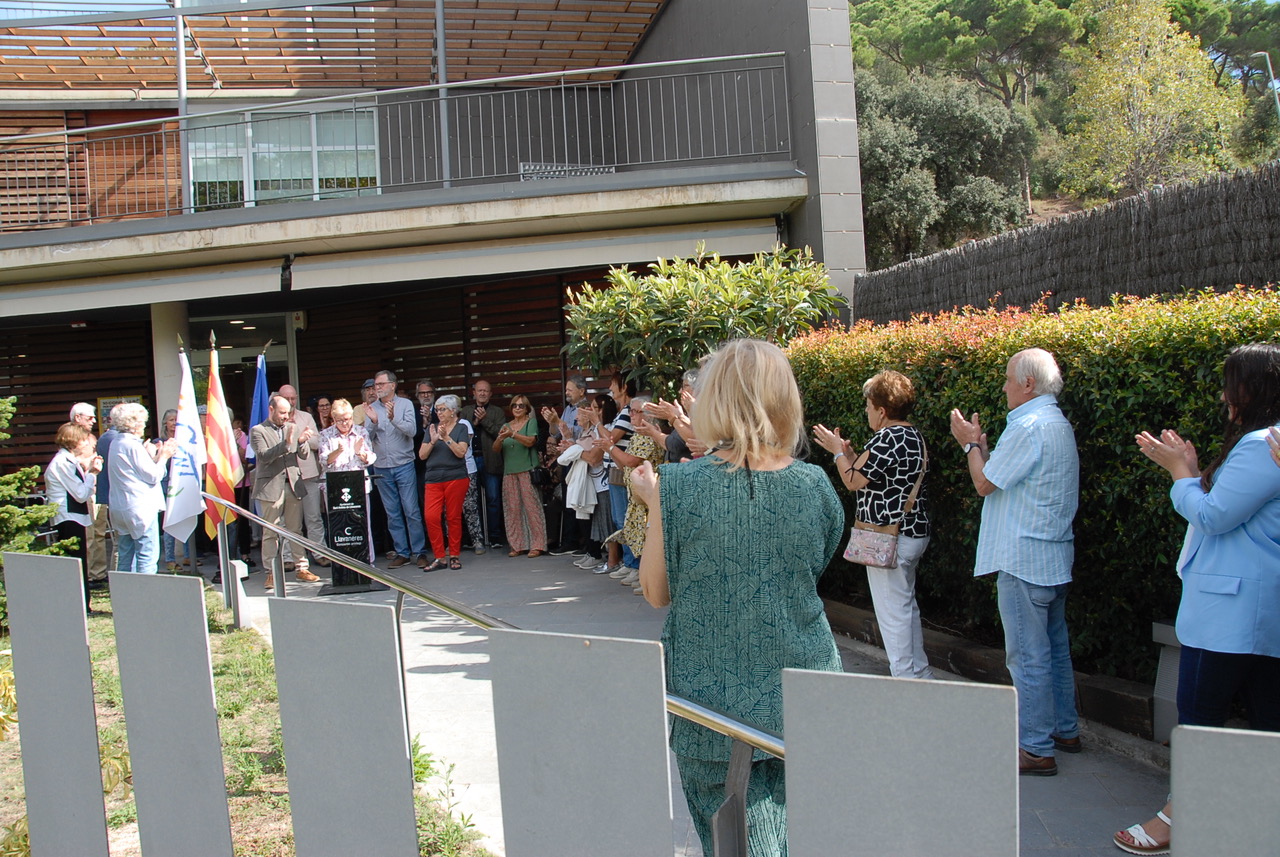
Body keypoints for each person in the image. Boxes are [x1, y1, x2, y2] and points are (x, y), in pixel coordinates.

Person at [630, 338, 844, 857]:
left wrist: (655, 504)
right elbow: (811, 569)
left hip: (708, 707)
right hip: (805, 697)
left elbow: (656, 592)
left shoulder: (677, 487)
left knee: (727, 844)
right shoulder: (815, 484)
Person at [1117, 343, 1280, 855]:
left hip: (1230, 611)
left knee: (1200, 720)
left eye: (1231, 383)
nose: (1223, 395)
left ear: (1252, 389)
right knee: (1264, 721)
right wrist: (1190, 464)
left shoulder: (1261, 444)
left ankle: (1177, 817)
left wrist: (1178, 472)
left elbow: (1212, 515)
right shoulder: (1263, 444)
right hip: (1246, 611)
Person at [949, 347, 1081, 777]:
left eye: (1009, 379)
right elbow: (1007, 476)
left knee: (1028, 656)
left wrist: (970, 445)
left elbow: (985, 482)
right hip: (1052, 554)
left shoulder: (1028, 426)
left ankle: (1036, 747)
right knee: (1055, 649)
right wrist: (982, 447)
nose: (1004, 386)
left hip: (1024, 559)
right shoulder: (1054, 423)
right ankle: (1063, 729)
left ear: (1027, 383)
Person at [814, 369, 934, 679]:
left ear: (881, 410)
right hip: (911, 532)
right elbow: (873, 474)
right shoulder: (912, 435)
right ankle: (920, 676)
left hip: (889, 537)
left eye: (868, 405)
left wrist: (838, 451)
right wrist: (850, 453)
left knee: (893, 615)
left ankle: (905, 681)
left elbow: (853, 480)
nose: (866, 411)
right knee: (906, 609)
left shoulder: (887, 437)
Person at [251, 394, 317, 590]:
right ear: (271, 409)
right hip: (270, 486)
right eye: (282, 413)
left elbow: (303, 455)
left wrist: (302, 440)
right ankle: (271, 571)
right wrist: (286, 443)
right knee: (270, 530)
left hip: (293, 483)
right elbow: (264, 456)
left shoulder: (291, 427)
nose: (285, 417)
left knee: (295, 529)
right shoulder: (258, 430)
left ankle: (302, 567)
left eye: (288, 413)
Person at [365, 369, 428, 569]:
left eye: (381, 384)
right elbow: (366, 438)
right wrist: (374, 422)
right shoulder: (371, 408)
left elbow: (412, 431)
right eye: (376, 385)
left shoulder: (406, 404)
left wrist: (393, 419)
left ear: (393, 385)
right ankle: (402, 552)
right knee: (392, 513)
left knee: (411, 510)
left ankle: (419, 552)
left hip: (404, 465)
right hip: (382, 467)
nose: (378, 388)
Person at [108, 402, 177, 574]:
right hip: (140, 508)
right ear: (136, 424)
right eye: (142, 422)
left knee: (126, 555)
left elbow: (136, 471)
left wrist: (153, 456)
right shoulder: (132, 445)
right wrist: (164, 457)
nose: (144, 426)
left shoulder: (116, 443)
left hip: (120, 506)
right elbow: (153, 476)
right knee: (147, 555)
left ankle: (124, 593)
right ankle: (147, 595)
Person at [45, 422, 101, 610]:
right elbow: (80, 493)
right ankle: (80, 605)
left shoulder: (69, 461)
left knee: (80, 561)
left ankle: (83, 604)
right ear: (74, 441)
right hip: (68, 517)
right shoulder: (63, 463)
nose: (88, 444)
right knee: (76, 562)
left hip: (74, 515)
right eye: (85, 440)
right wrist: (92, 474)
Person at [318, 398, 377, 563]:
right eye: (340, 420)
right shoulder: (326, 435)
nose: (345, 423)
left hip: (358, 486)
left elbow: (371, 457)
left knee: (363, 525)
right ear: (333, 419)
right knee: (338, 527)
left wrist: (361, 453)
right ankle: (341, 564)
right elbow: (323, 461)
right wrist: (336, 452)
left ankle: (368, 562)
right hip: (334, 489)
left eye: (348, 419)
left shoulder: (361, 432)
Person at [418, 394, 472, 571]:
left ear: (453, 411)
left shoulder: (461, 428)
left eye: (442, 409)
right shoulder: (432, 428)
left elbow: (461, 452)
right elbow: (422, 455)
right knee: (431, 516)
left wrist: (447, 438)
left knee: (453, 516)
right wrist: (433, 440)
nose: (439, 412)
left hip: (455, 477)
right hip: (433, 479)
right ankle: (440, 557)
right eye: (437, 409)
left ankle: (454, 555)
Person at [279, 385, 328, 570]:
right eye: (287, 398)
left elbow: (317, 442)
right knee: (289, 520)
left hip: (308, 474)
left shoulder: (306, 417)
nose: (291, 402)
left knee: (314, 516)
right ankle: (289, 557)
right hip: (286, 476)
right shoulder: (275, 419)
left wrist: (303, 437)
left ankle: (319, 552)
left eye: (293, 399)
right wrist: (300, 436)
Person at [495, 393, 546, 557]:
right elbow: (496, 449)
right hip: (509, 472)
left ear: (527, 409)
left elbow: (531, 441)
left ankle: (537, 544)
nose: (517, 408)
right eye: (514, 405)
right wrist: (500, 438)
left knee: (532, 508)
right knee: (513, 509)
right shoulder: (506, 425)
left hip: (526, 470)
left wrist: (512, 435)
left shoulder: (530, 422)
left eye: (521, 405)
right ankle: (517, 544)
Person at [461, 378, 506, 545]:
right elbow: (461, 431)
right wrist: (474, 422)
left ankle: (494, 537)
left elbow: (500, 433)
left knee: (493, 498)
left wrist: (485, 420)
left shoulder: (497, 411)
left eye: (485, 391)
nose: (482, 393)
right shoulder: (466, 411)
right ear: (474, 393)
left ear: (490, 394)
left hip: (491, 460)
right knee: (472, 500)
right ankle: (476, 538)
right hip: (470, 461)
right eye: (479, 390)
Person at [69, 402, 109, 585]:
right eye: (90, 417)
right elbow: (73, 465)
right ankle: (89, 574)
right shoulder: (69, 436)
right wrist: (89, 464)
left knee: (99, 532)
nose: (94, 420)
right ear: (78, 417)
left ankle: (99, 572)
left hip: (95, 486)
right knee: (89, 534)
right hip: (82, 488)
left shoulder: (91, 436)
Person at [156, 408, 198, 573]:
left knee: (186, 516)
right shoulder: (159, 442)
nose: (174, 423)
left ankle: (189, 555)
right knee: (169, 520)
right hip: (167, 485)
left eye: (177, 420)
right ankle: (170, 559)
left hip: (184, 483)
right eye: (171, 420)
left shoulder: (186, 440)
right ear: (165, 423)